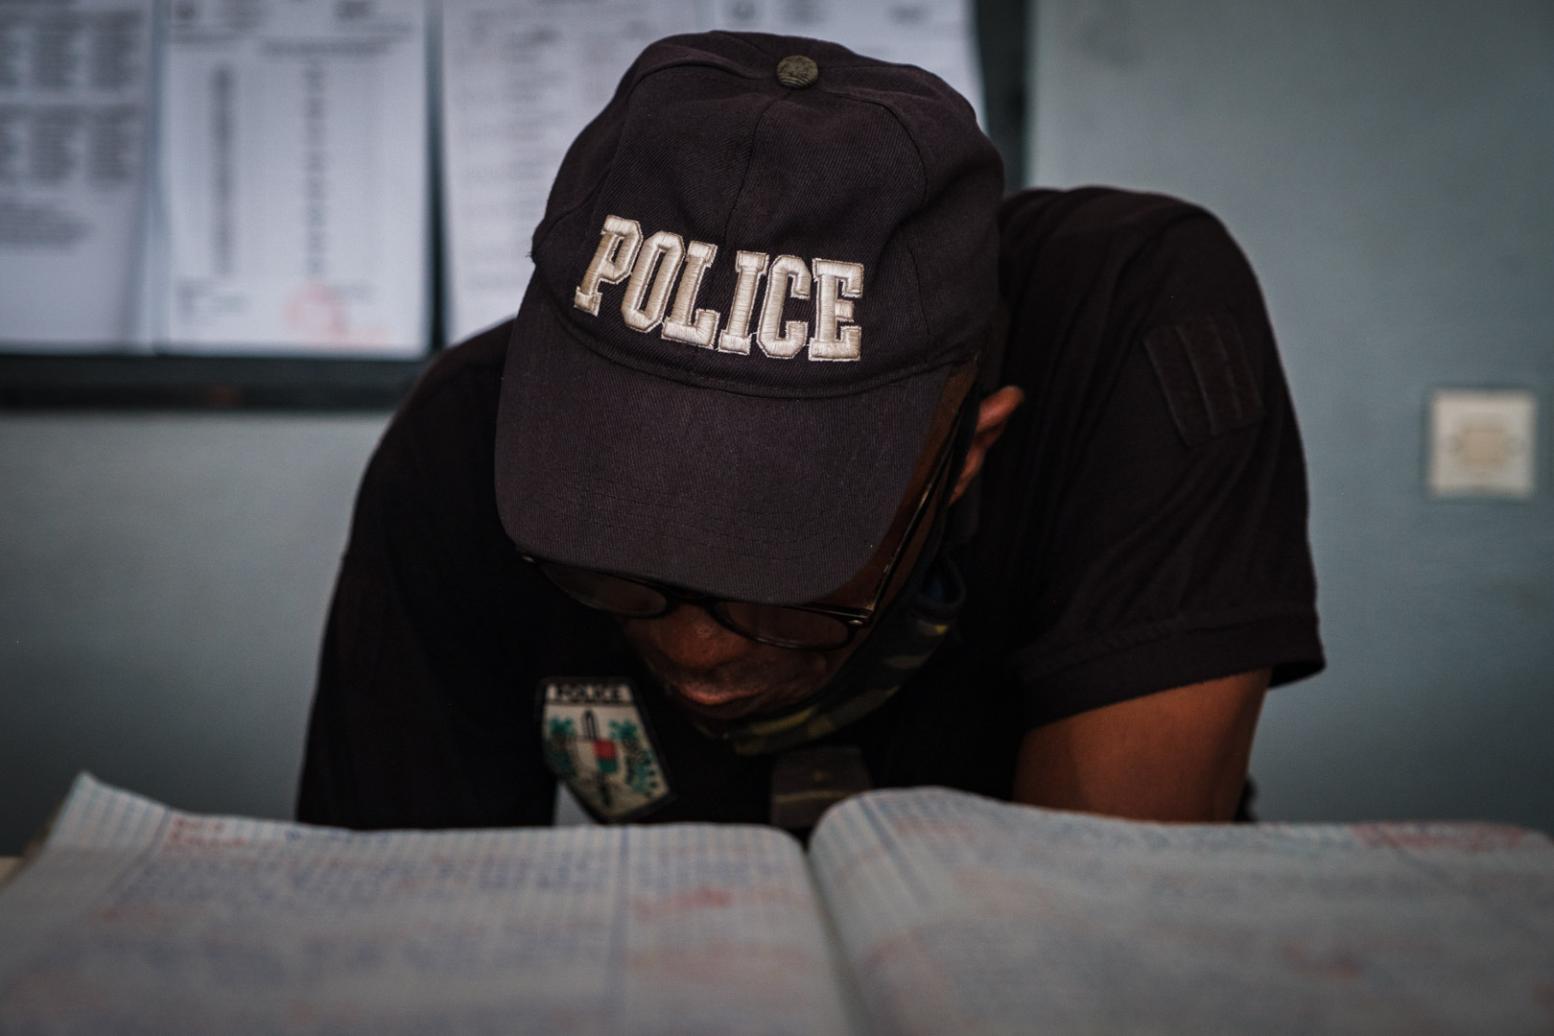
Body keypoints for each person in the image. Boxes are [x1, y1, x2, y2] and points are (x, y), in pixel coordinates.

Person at [297, 32, 1324, 833]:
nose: (696, 652)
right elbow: (389, 938)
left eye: (783, 582)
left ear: (969, 449)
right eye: (613, 559)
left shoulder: (1131, 327)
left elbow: (1097, 936)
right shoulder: (463, 434)